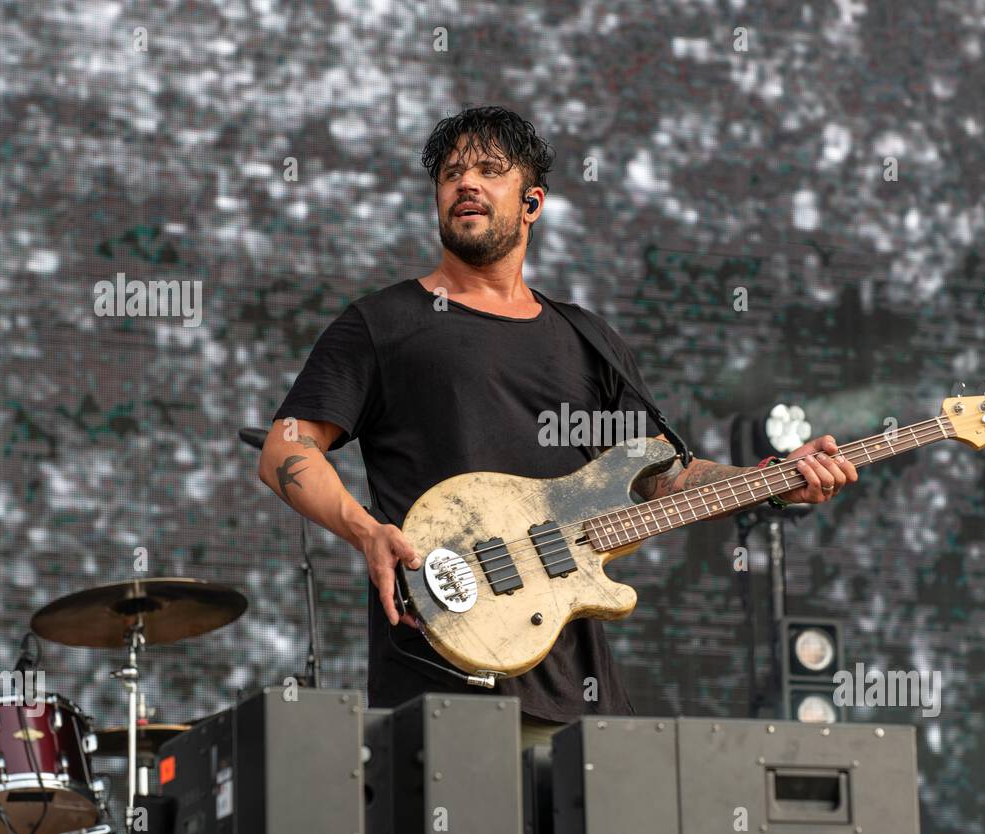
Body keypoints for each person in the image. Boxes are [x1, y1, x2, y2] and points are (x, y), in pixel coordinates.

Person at [258, 106, 857, 750]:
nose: (467, 184)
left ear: (532, 201)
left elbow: (664, 479)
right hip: (445, 683)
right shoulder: (383, 323)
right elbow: (284, 450)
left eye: (491, 171)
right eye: (452, 173)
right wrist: (366, 531)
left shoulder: (587, 339)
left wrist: (774, 482)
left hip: (581, 695)